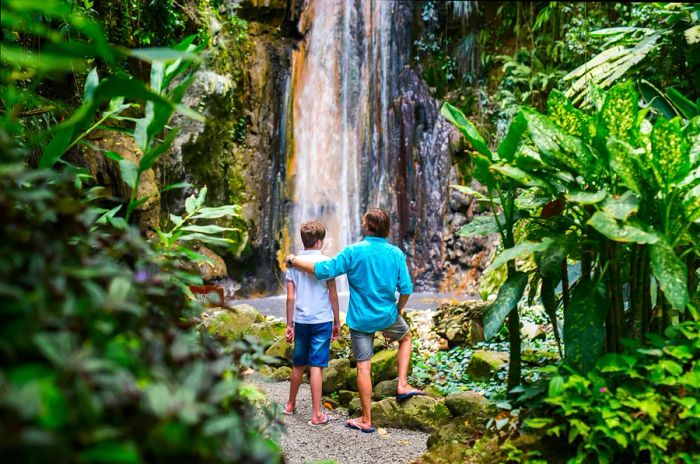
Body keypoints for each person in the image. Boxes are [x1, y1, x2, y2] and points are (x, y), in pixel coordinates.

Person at [285, 208, 423, 433]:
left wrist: (293, 260)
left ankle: (367, 420)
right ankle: (402, 384)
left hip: (360, 319)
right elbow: (406, 289)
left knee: (363, 367)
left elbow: (324, 269)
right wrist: (397, 311)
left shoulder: (353, 251)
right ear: (386, 229)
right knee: (406, 338)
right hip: (387, 315)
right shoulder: (396, 253)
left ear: (366, 227)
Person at [283, 220, 341, 426]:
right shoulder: (327, 263)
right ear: (318, 242)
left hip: (301, 320)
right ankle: (316, 414)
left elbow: (290, 298)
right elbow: (333, 295)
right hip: (322, 320)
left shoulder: (293, 264)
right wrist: (337, 320)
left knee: (298, 364)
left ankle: (290, 405)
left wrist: (289, 324)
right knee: (317, 366)